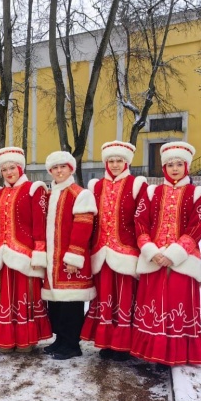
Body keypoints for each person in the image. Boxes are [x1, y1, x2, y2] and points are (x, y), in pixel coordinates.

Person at [131, 141, 201, 366]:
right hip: (153, 257)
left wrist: (174, 254)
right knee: (153, 303)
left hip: (184, 259)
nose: (174, 168)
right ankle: (151, 351)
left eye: (179, 164)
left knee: (178, 302)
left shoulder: (198, 194)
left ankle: (179, 352)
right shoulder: (151, 192)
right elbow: (140, 222)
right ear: (164, 167)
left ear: (186, 166)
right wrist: (150, 250)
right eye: (170, 164)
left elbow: (197, 227)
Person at [80, 141, 147, 361]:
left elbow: (142, 219)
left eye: (119, 160)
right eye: (111, 161)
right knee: (104, 297)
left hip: (127, 252)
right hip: (101, 252)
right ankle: (106, 342)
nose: (115, 165)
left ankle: (125, 345)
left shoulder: (136, 185)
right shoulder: (96, 187)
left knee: (125, 297)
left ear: (127, 162)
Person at [0, 146, 52, 352]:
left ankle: (26, 339)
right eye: (4, 169)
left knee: (26, 295)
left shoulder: (34, 189)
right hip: (3, 254)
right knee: (5, 295)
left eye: (12, 167)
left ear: (20, 168)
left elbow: (39, 223)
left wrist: (38, 252)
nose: (8, 172)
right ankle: (6, 337)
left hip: (26, 255)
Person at [41, 151, 97, 360]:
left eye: (62, 167)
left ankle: (72, 343)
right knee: (56, 302)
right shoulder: (50, 194)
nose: (58, 171)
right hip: (52, 260)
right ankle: (60, 340)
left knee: (71, 304)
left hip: (70, 259)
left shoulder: (79, 194)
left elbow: (83, 227)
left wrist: (74, 256)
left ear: (70, 169)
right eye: (54, 168)